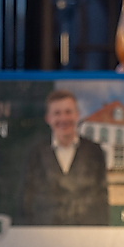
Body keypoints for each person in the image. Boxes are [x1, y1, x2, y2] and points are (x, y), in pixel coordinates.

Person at [20, 89, 109, 225]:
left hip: (85, 236)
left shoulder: (95, 151)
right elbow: (27, 200)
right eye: (57, 113)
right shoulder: (36, 153)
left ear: (77, 115)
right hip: (46, 237)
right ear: (48, 118)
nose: (63, 119)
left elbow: (102, 199)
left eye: (68, 112)